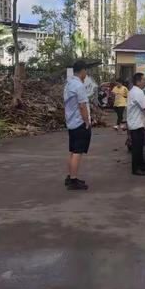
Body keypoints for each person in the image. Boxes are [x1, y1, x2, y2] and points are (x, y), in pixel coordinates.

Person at [63, 60, 92, 191]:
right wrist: (87, 122)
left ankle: (70, 176)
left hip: (71, 122)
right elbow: (82, 106)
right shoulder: (79, 86)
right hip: (79, 122)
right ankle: (73, 181)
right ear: (83, 71)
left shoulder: (69, 83)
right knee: (77, 152)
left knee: (73, 151)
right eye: (86, 71)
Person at [127, 72, 145, 176]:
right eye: (144, 80)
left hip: (136, 123)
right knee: (137, 148)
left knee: (140, 146)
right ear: (138, 82)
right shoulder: (138, 92)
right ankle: (136, 169)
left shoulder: (133, 91)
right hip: (136, 124)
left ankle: (142, 165)